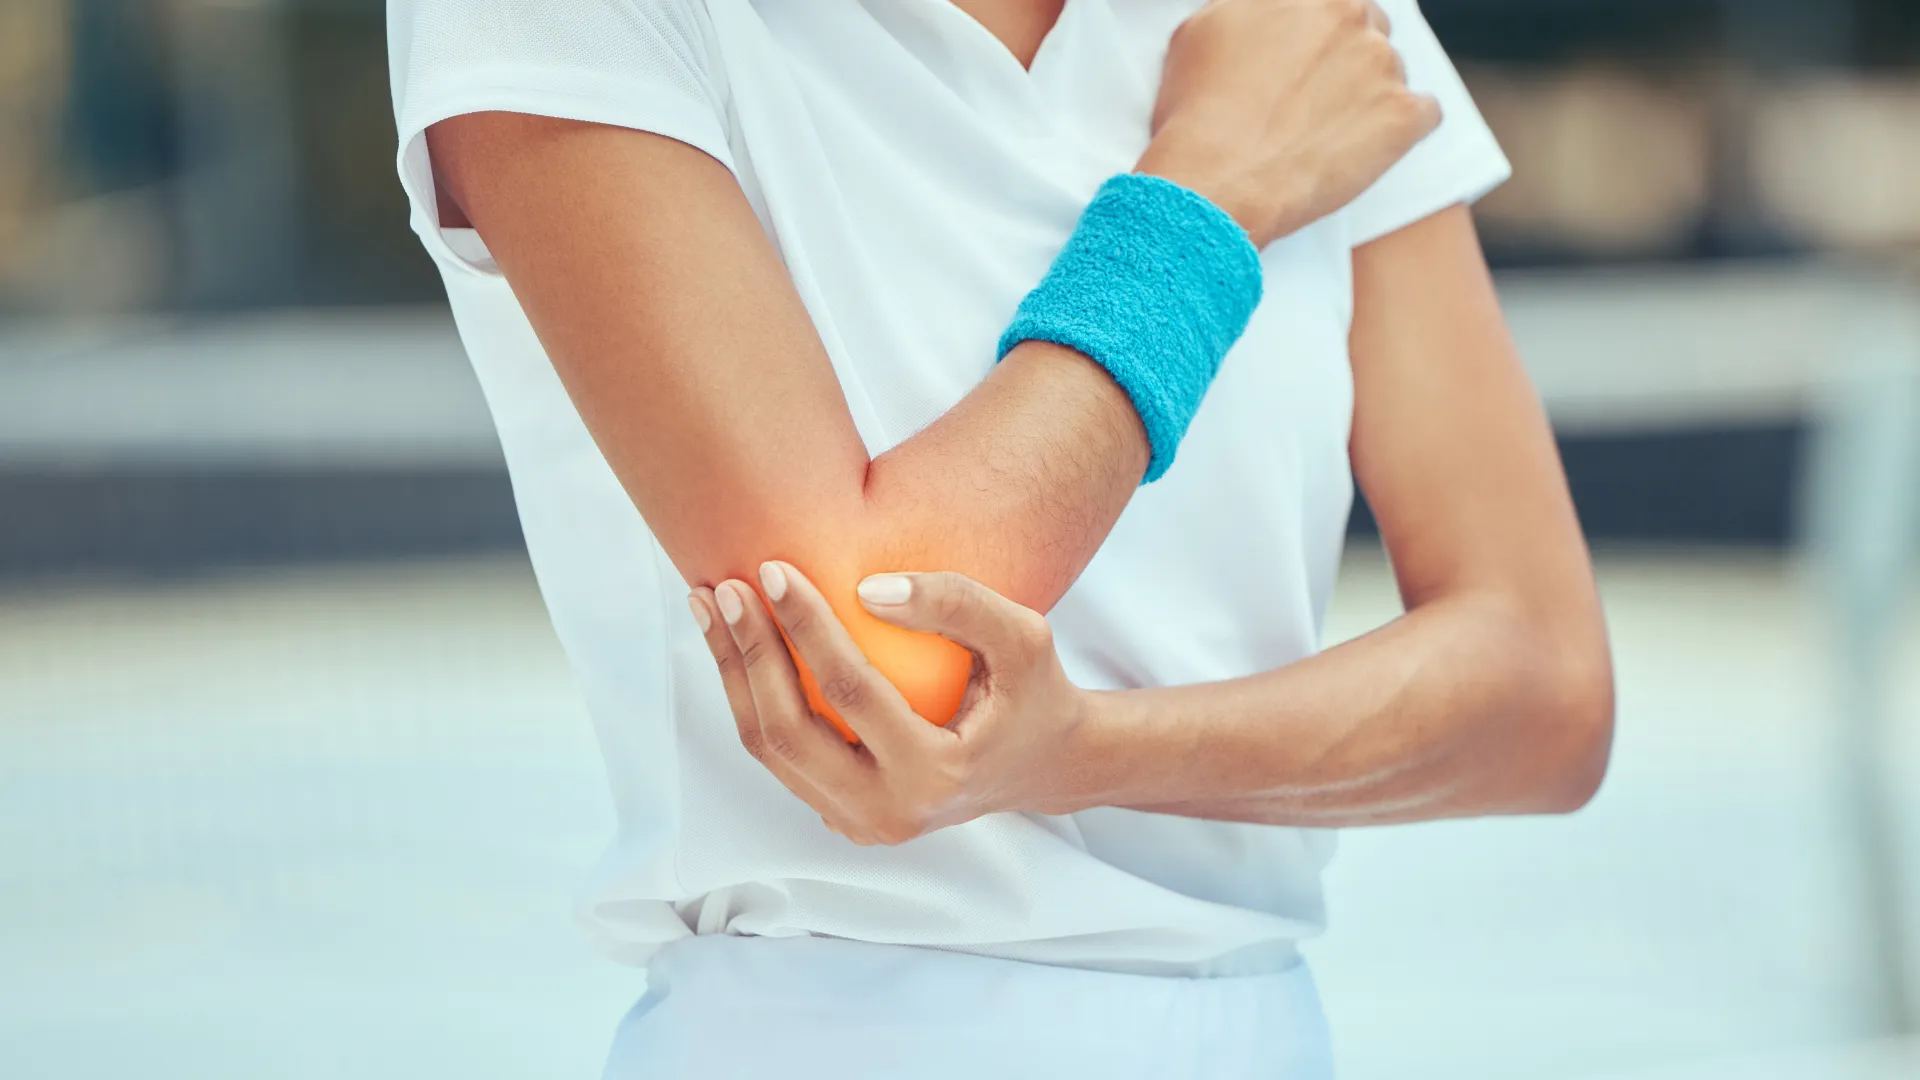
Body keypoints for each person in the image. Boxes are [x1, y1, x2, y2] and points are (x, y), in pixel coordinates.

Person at [387, 0, 1614, 1075]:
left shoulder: (1316, 22)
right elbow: (885, 662)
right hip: (828, 1029)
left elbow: (1549, 688)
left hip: (1271, 1028)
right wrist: (1206, 202)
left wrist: (1082, 752)